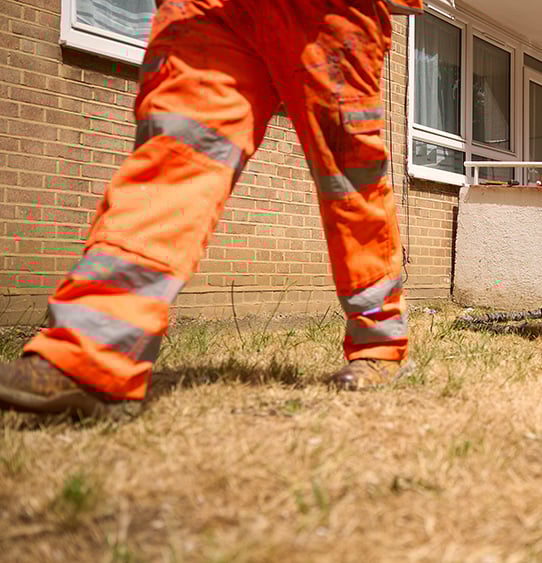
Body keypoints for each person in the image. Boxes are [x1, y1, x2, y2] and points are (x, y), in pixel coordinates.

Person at [0, 0, 424, 419]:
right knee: (176, 156)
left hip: (322, 11)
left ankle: (381, 344)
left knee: (348, 181)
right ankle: (92, 355)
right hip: (209, 9)